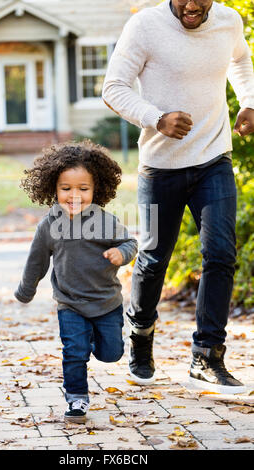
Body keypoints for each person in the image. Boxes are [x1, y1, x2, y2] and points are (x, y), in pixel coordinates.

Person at [102, 0, 254, 393]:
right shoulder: (146, 26)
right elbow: (113, 88)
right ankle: (140, 334)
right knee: (153, 259)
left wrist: (249, 102)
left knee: (221, 254)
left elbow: (240, 60)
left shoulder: (228, 21)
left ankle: (207, 355)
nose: (191, 5)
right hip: (160, 166)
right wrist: (156, 117)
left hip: (213, 159)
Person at [14, 140, 138, 422]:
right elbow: (37, 261)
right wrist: (26, 290)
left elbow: (130, 242)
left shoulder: (105, 221)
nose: (74, 196)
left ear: (97, 190)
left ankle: (97, 337)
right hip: (69, 303)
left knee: (111, 354)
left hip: (106, 302)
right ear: (53, 189)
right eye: (66, 188)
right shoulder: (49, 225)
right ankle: (77, 399)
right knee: (74, 352)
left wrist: (121, 253)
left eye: (83, 189)